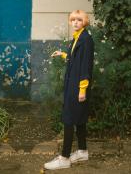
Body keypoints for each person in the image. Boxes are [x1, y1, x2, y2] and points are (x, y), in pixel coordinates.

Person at [44, 10, 95, 170]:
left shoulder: (86, 39)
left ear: (84, 22)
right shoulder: (78, 37)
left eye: (79, 20)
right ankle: (82, 151)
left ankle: (64, 158)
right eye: (73, 20)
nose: (75, 23)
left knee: (69, 119)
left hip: (78, 86)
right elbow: (76, 60)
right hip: (73, 84)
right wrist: (64, 54)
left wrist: (82, 89)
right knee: (79, 118)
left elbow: (86, 66)